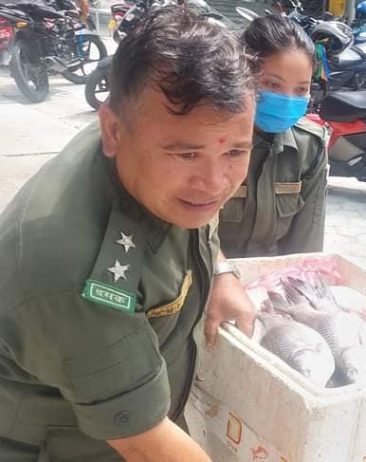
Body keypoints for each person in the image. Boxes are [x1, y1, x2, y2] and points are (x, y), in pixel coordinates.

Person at [0, 7, 257, 460]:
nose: (216, 183)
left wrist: (221, 272)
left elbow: (202, 215)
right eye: (186, 155)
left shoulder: (143, 150)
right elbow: (143, 443)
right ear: (112, 130)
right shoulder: (73, 269)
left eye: (236, 152)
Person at [219, 15, 329, 258]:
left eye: (301, 89)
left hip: (269, 277)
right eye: (273, 84)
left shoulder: (309, 146)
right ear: (242, 74)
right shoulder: (209, 139)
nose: (288, 100)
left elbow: (306, 247)